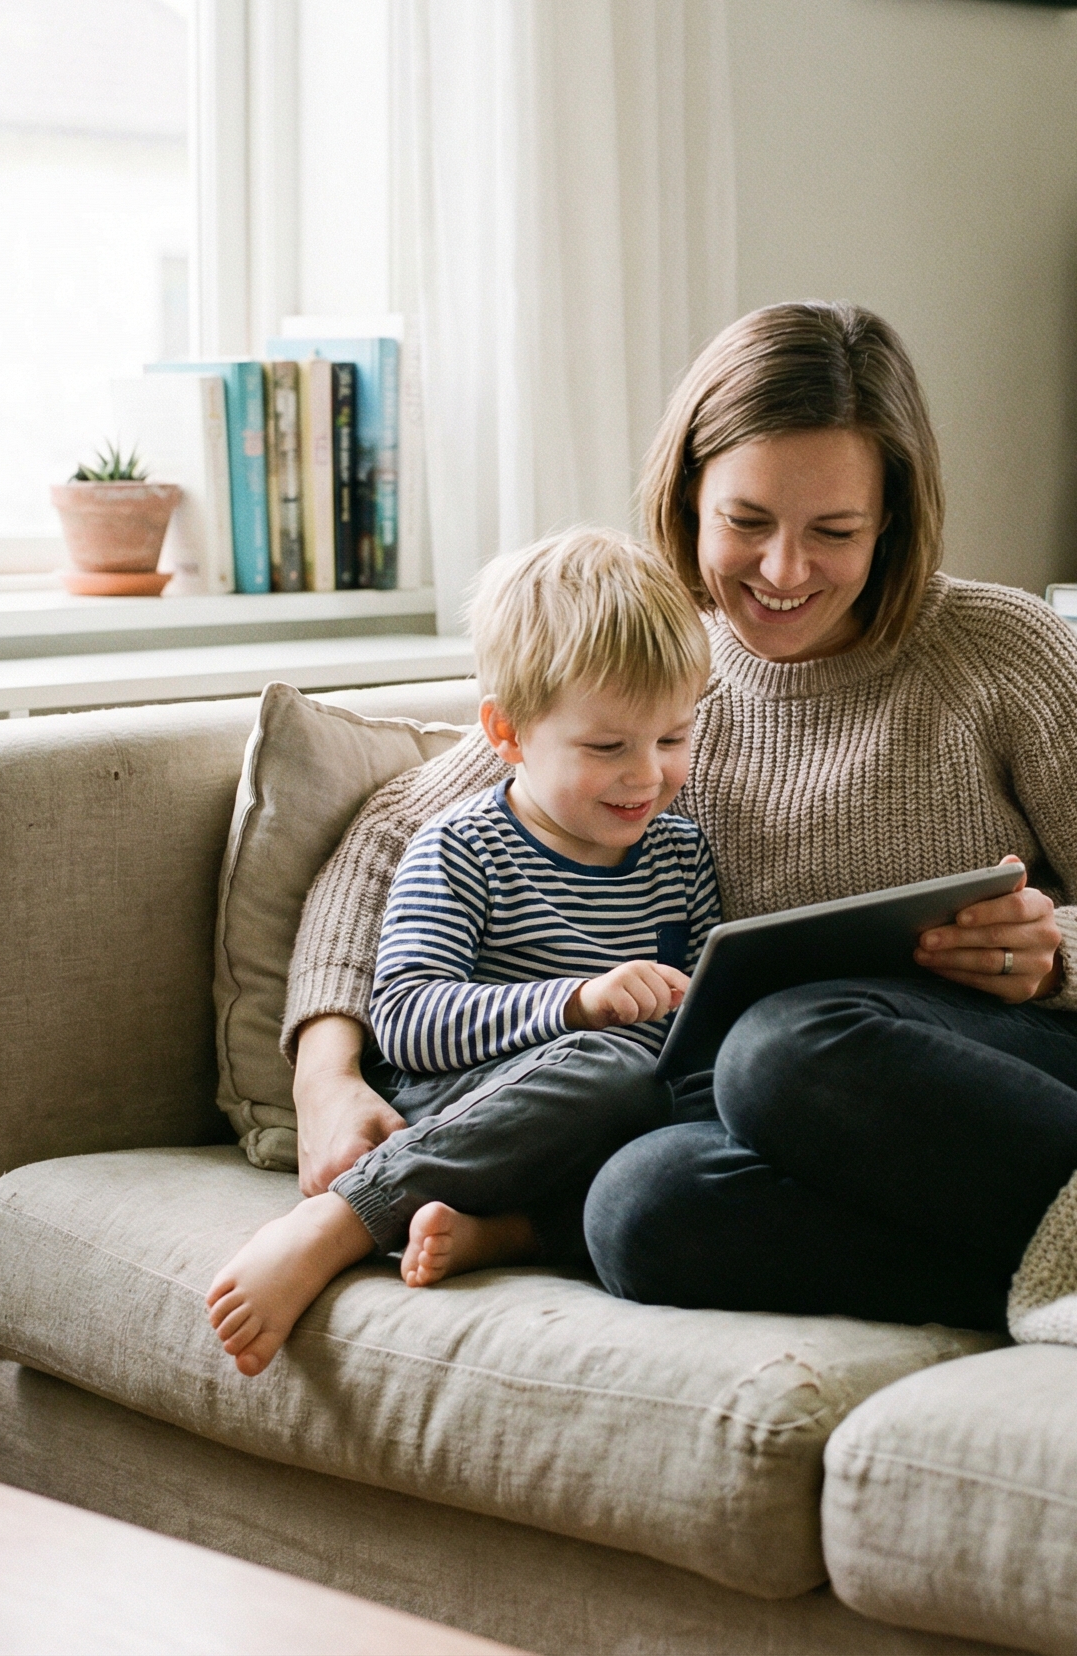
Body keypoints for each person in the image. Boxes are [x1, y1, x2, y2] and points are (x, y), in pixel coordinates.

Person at [282, 301, 1077, 1333]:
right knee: (634, 1204)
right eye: (746, 523)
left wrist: (1058, 952)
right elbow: (388, 838)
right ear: (689, 497)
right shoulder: (653, 683)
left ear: (893, 521)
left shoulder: (1000, 649)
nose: (784, 572)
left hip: (1028, 1072)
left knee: (782, 1040)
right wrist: (325, 1074)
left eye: (835, 531)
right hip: (801, 1117)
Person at [206, 528, 720, 1376]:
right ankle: (340, 1218)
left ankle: (506, 1233)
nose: (648, 776)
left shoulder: (681, 854)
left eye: (672, 739)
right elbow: (405, 1021)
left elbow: (694, 1014)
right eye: (608, 747)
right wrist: (575, 1002)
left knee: (697, 1116)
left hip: (615, 1112)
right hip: (477, 1096)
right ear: (508, 733)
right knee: (609, 1068)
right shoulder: (463, 848)